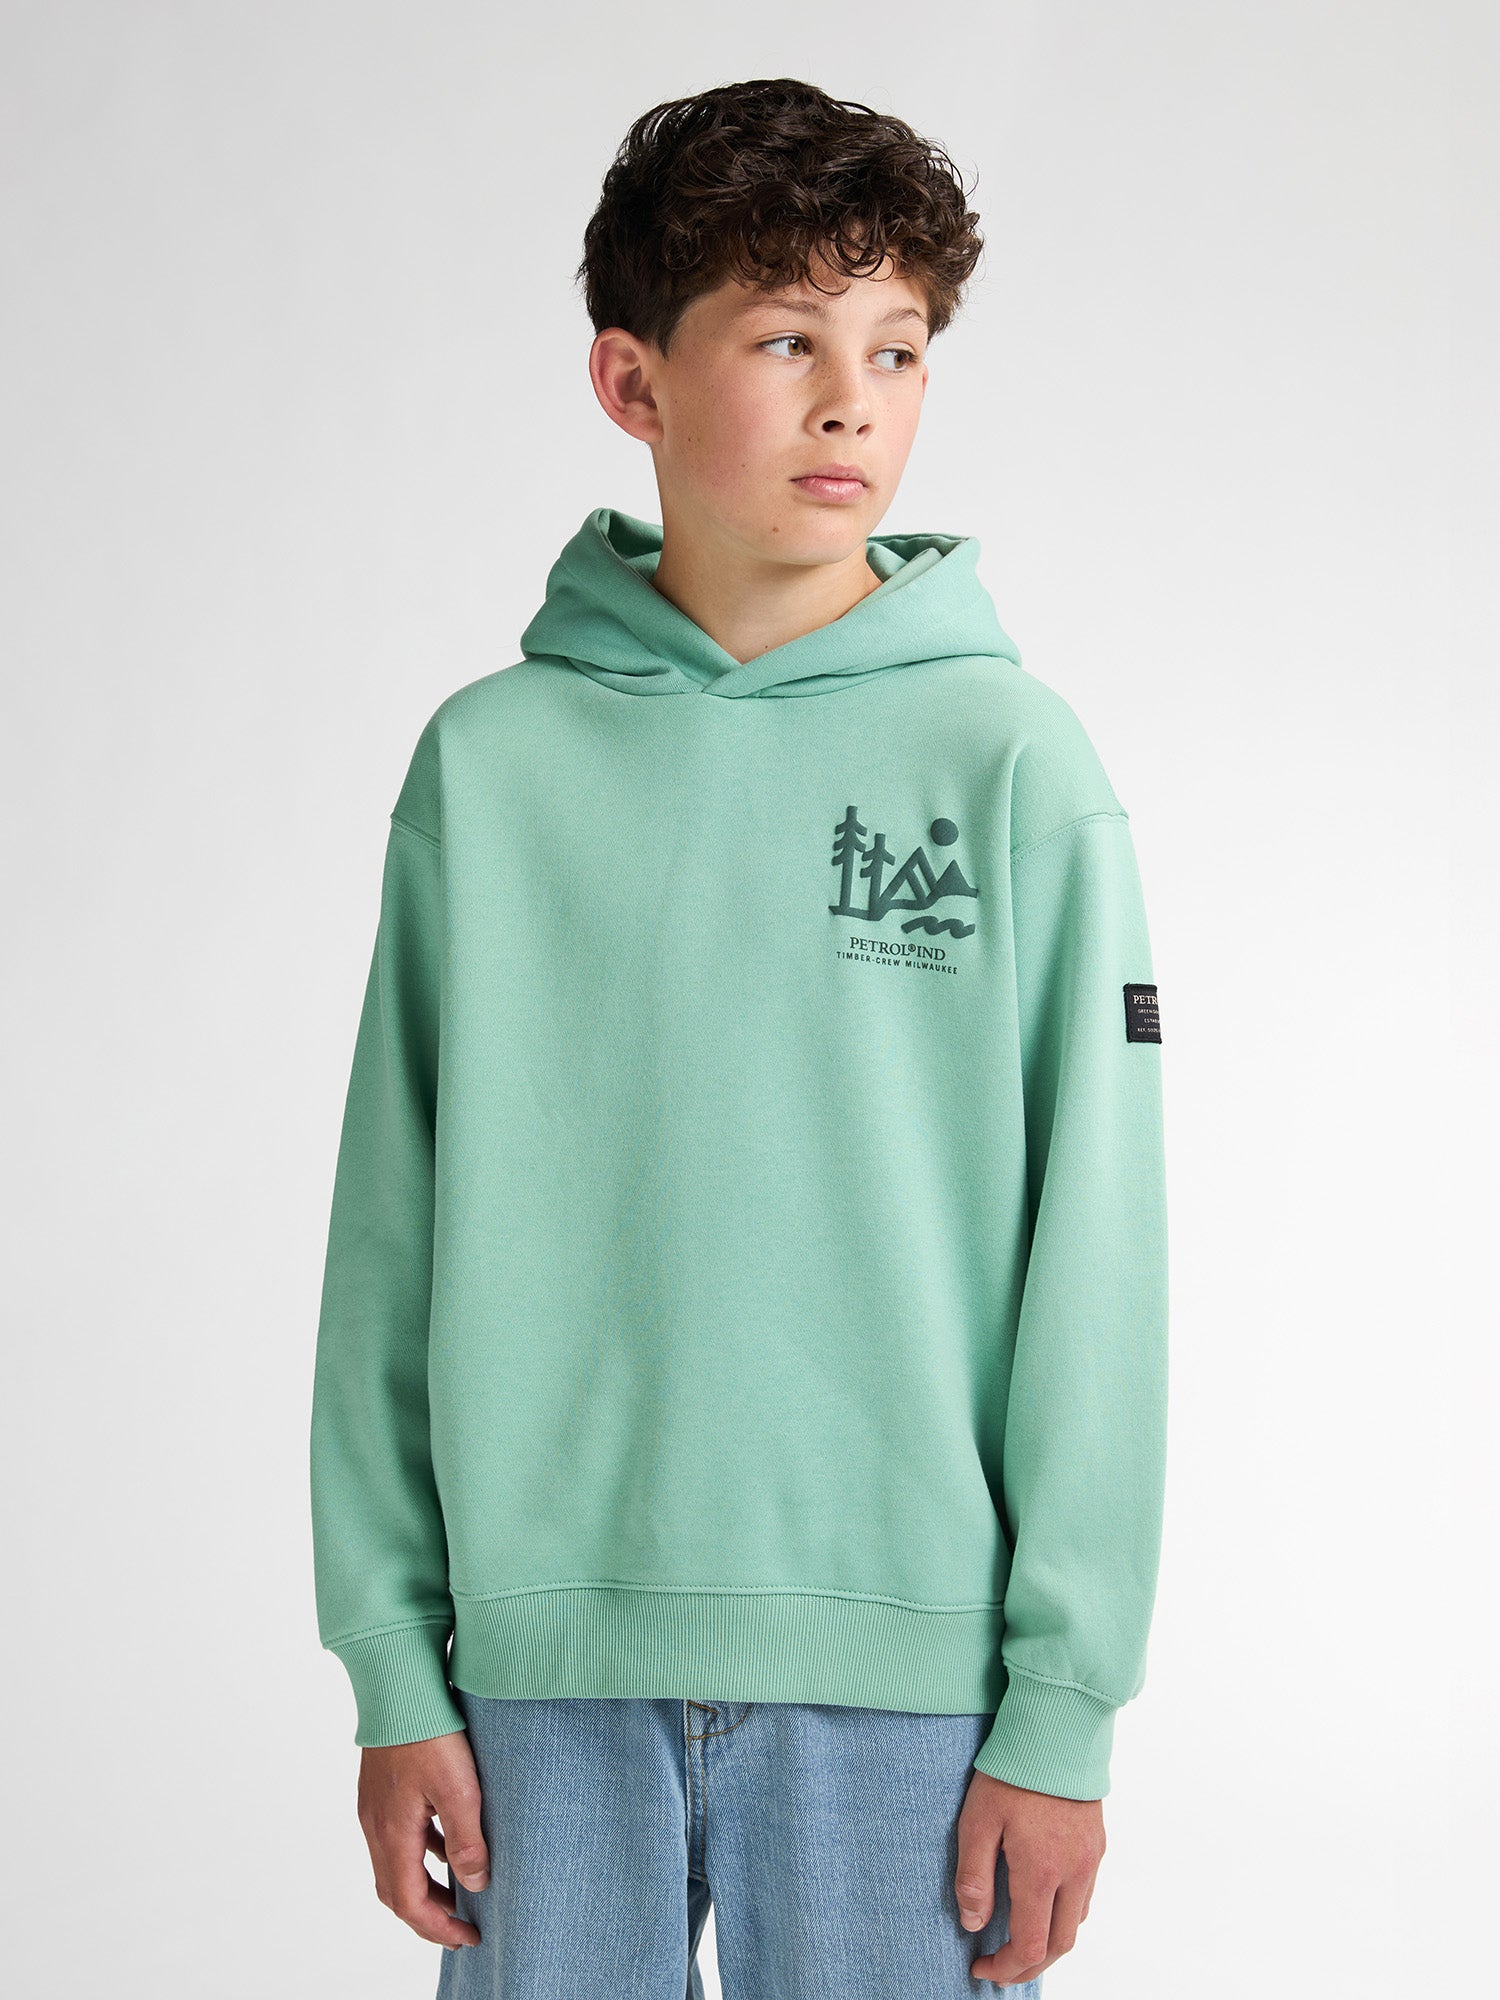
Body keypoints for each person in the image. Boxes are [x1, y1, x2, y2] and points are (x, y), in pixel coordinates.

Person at [309, 75, 1169, 1999]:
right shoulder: (489, 770)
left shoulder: (1014, 766)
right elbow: (388, 1240)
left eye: (896, 347)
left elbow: (1098, 1257)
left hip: (912, 1695)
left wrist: (1064, 1704)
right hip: (534, 1687)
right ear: (631, 381)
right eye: (787, 340)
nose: (852, 400)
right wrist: (390, 1666)